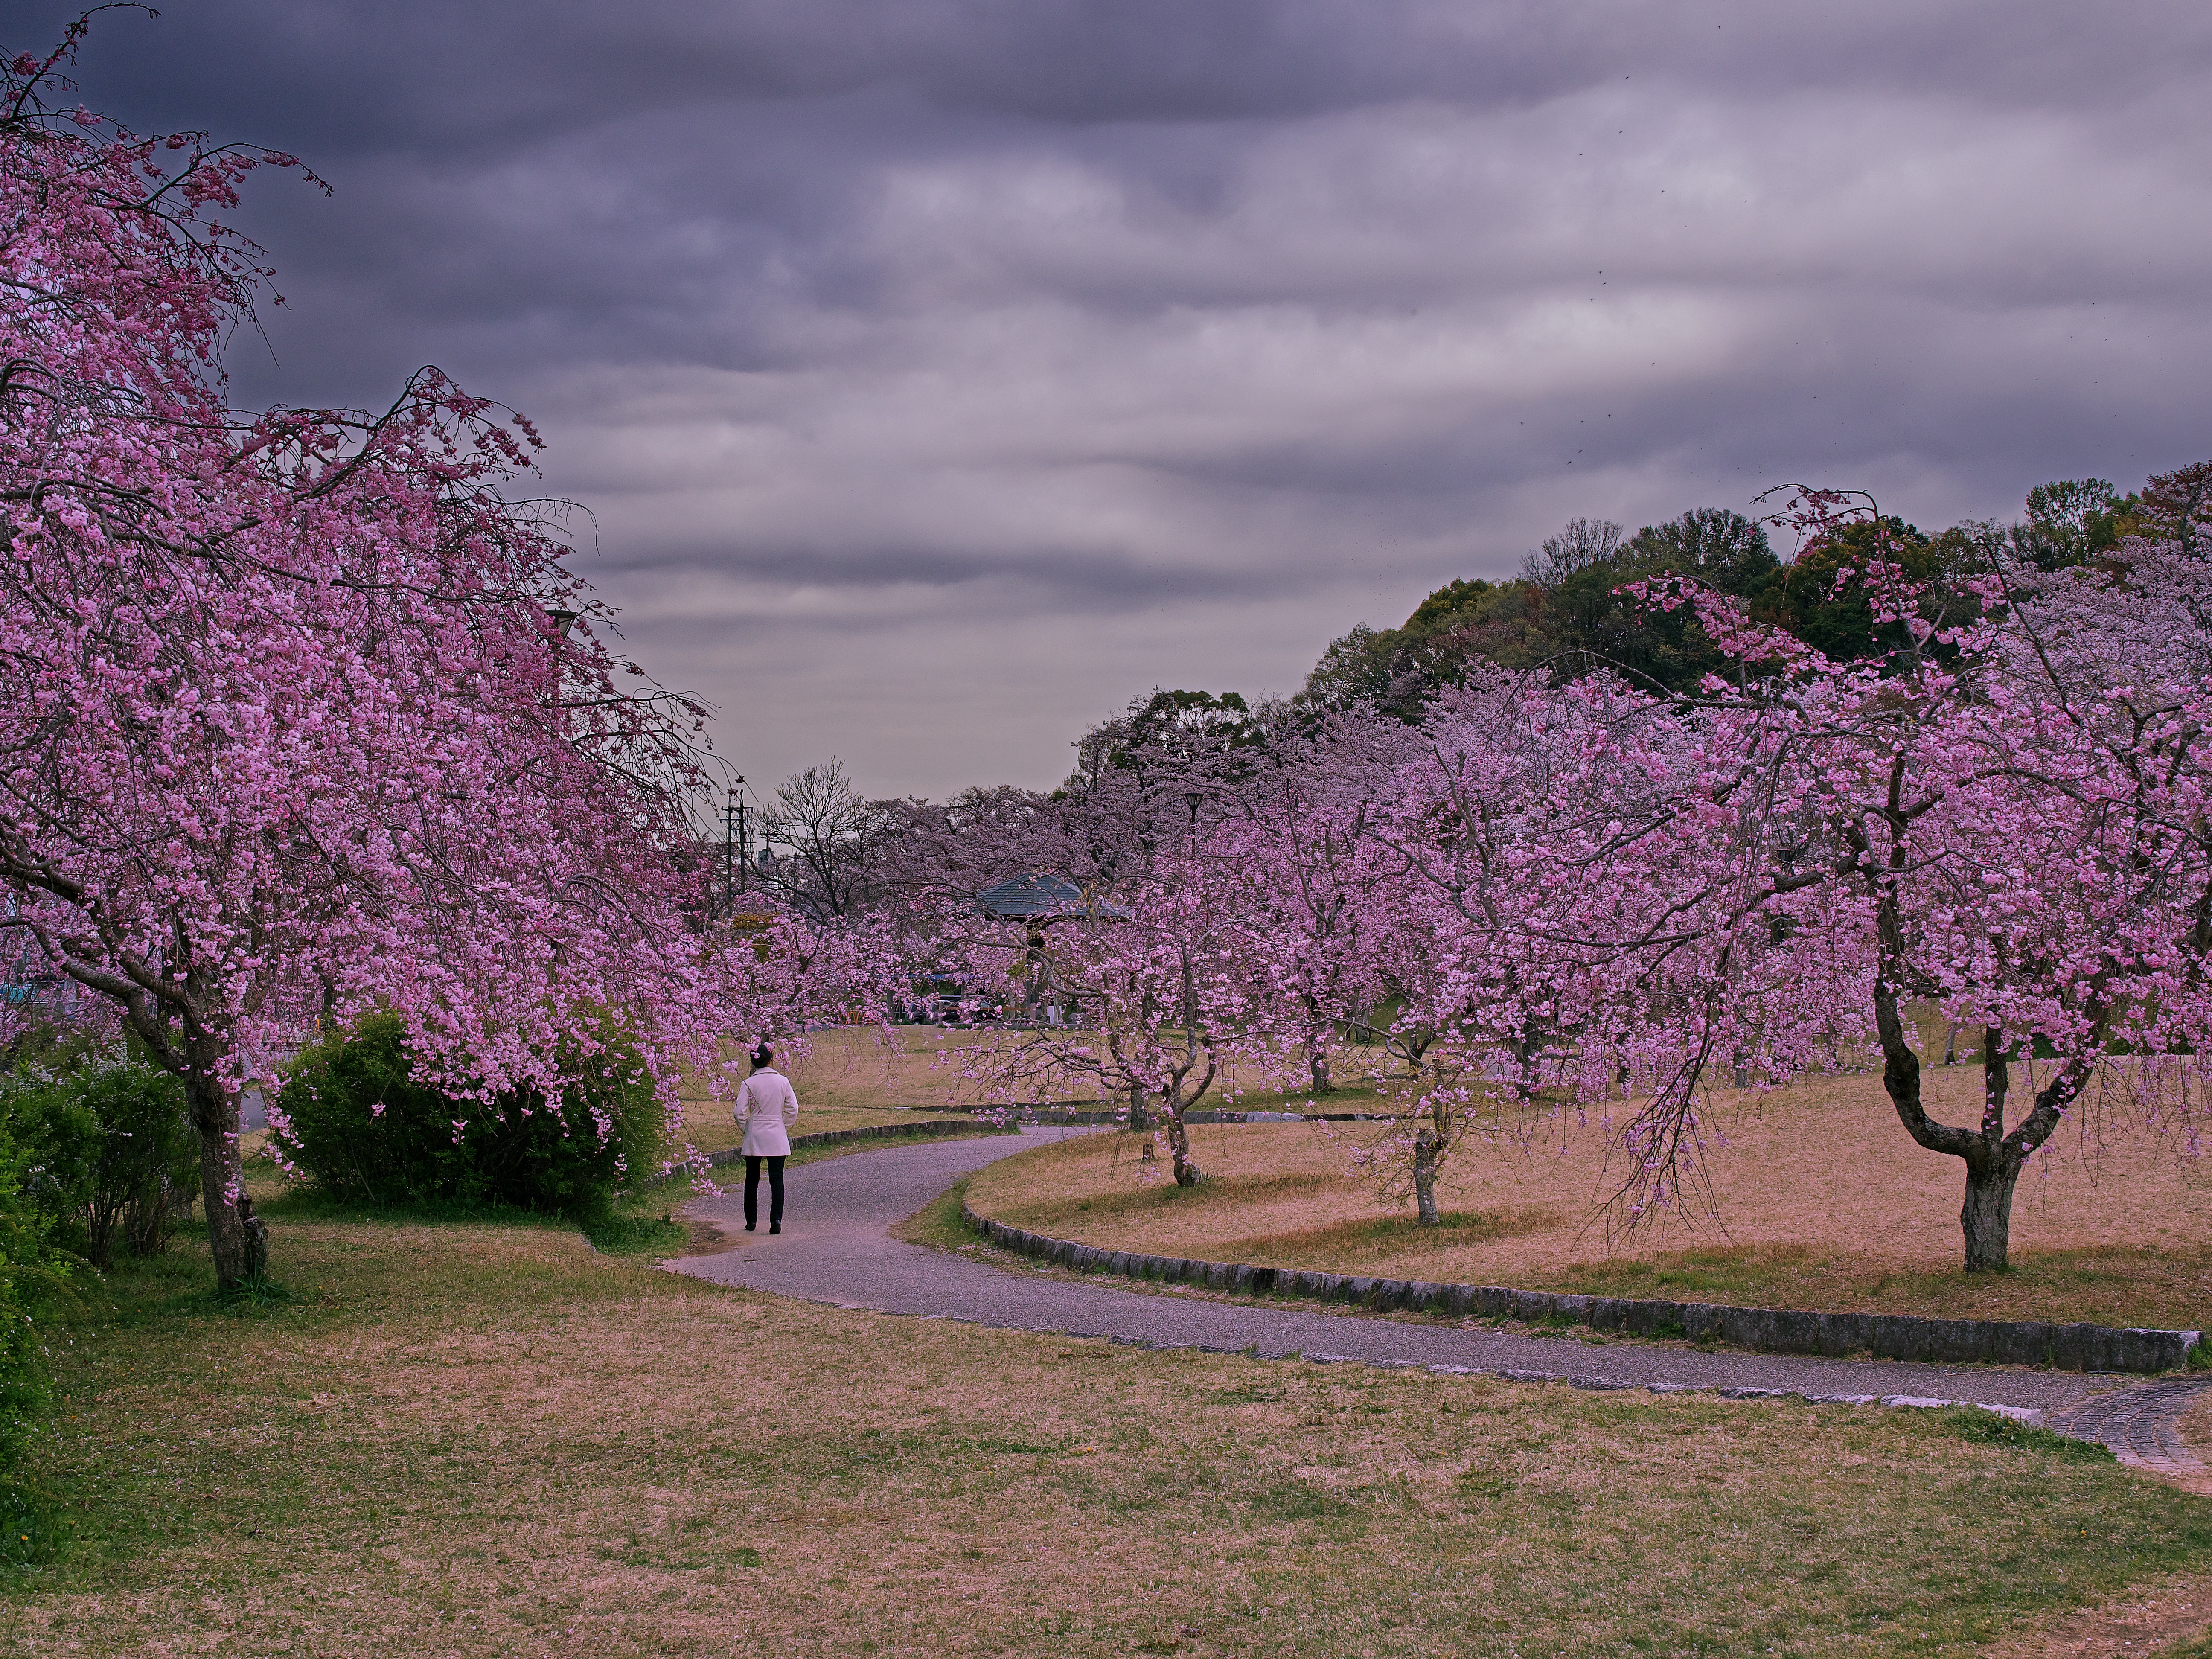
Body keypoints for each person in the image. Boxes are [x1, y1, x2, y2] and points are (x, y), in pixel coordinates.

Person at [733, 1042, 800, 1234]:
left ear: (754, 1064)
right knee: (777, 1178)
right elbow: (793, 1109)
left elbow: (740, 1112)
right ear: (771, 1060)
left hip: (755, 1133)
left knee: (752, 1178)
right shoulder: (783, 1081)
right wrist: (782, 1125)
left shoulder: (748, 1084)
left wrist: (747, 1127)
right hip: (776, 1134)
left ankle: (751, 1221)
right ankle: (776, 1220)